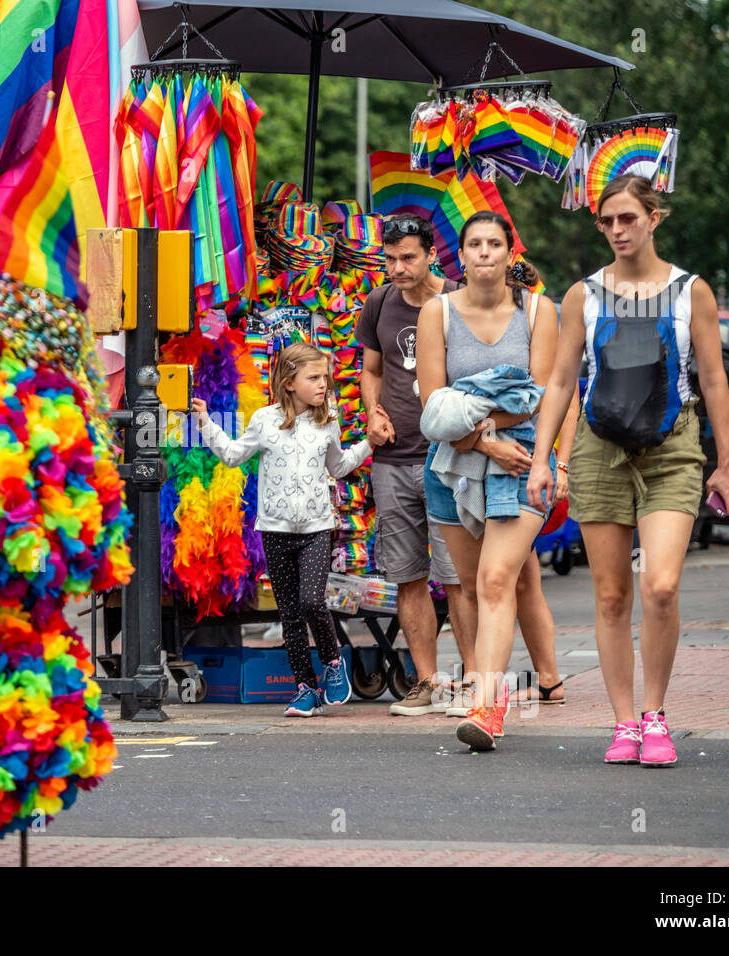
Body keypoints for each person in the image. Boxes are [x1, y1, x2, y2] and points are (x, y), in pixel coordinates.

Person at [526, 174, 729, 767]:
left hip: (674, 446)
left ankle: (655, 714)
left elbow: (714, 378)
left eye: (628, 218)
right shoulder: (583, 295)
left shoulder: (689, 290)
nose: (617, 230)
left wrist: (726, 463)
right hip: (600, 448)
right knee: (613, 595)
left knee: (661, 586)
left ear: (654, 217)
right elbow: (563, 381)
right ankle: (624, 724)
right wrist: (544, 458)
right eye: (607, 221)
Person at [417, 211, 559, 751]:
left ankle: (486, 705)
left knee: (498, 580)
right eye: (473, 244)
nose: (483, 253)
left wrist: (552, 461)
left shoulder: (537, 309)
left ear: (508, 253)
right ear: (461, 254)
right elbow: (434, 406)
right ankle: (489, 684)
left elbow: (547, 395)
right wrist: (482, 439)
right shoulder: (438, 313)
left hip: (521, 463)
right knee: (473, 587)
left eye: (493, 244)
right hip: (450, 464)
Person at [192, 342, 384, 717]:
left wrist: (369, 444)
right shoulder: (264, 419)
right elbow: (232, 455)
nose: (323, 385)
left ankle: (331, 661)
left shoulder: (327, 421)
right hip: (275, 531)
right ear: (289, 381)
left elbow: (340, 466)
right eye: (314, 378)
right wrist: (205, 422)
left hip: (316, 529)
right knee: (291, 615)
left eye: (325, 378)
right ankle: (305, 688)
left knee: (312, 601)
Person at [357, 214, 474, 716]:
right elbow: (370, 369)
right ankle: (427, 681)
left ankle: (473, 679)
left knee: (458, 577)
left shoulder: (457, 301)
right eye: (390, 258)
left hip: (448, 458)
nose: (398, 267)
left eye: (408, 257)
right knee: (407, 575)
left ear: (431, 255)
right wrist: (372, 412)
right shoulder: (380, 302)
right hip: (392, 457)